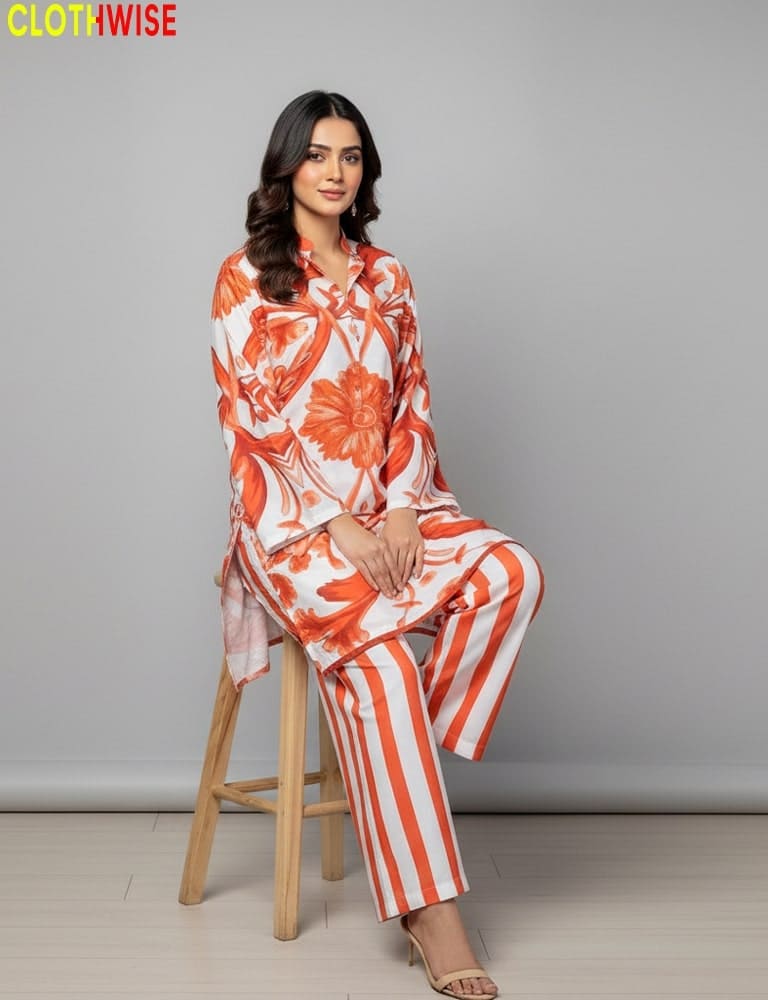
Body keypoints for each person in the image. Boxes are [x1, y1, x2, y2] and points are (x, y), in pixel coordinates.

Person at [210, 89, 545, 1000]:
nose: (335, 170)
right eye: (317, 154)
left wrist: (400, 510)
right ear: (286, 167)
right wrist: (341, 525)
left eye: (351, 156)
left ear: (365, 172)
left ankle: (402, 772)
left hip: (397, 510)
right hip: (292, 529)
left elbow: (413, 400)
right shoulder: (247, 278)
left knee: (512, 572)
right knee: (383, 667)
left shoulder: (388, 275)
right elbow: (256, 424)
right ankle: (434, 916)